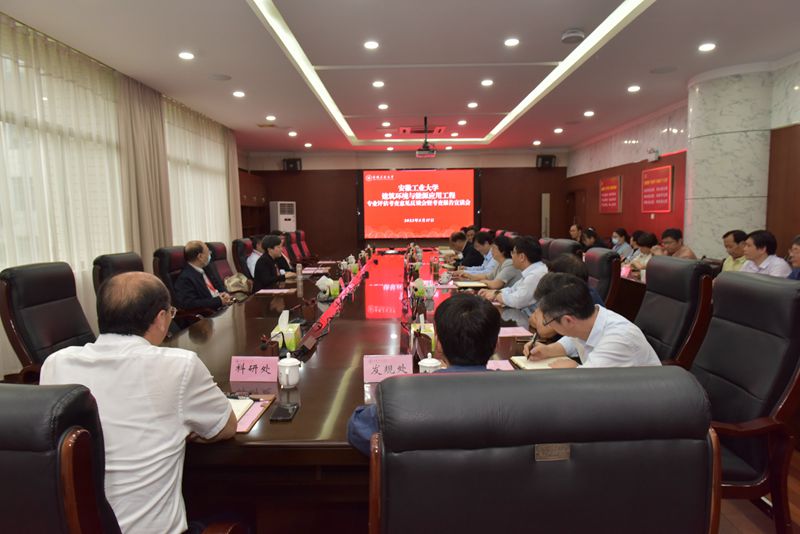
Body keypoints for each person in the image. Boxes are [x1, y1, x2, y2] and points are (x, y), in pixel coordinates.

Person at [40, 272, 236, 533]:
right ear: (161, 318)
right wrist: (183, 431)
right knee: (236, 512)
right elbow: (226, 427)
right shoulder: (179, 365)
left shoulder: (56, 363)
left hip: (76, 525)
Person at [346, 293, 500, 456]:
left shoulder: (404, 396)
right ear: (496, 344)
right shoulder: (516, 394)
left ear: (438, 343)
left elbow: (357, 428)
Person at [524, 273, 661, 368]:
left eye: (547, 321)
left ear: (568, 321)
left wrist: (574, 369)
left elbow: (588, 382)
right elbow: (573, 340)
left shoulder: (618, 339)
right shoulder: (587, 320)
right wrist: (547, 350)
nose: (546, 324)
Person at [478, 236, 547, 311]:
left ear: (522, 257)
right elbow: (513, 289)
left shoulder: (535, 275)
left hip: (528, 316)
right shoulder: (531, 271)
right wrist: (494, 292)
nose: (512, 256)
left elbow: (517, 301)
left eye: (513, 253)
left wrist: (496, 295)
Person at [174, 240, 234, 309]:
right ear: (200, 256)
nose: (210, 253)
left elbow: (218, 286)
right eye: (208, 251)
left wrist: (224, 294)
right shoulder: (185, 278)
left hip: (221, 306)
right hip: (210, 311)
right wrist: (218, 301)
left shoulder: (206, 268)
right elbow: (190, 304)